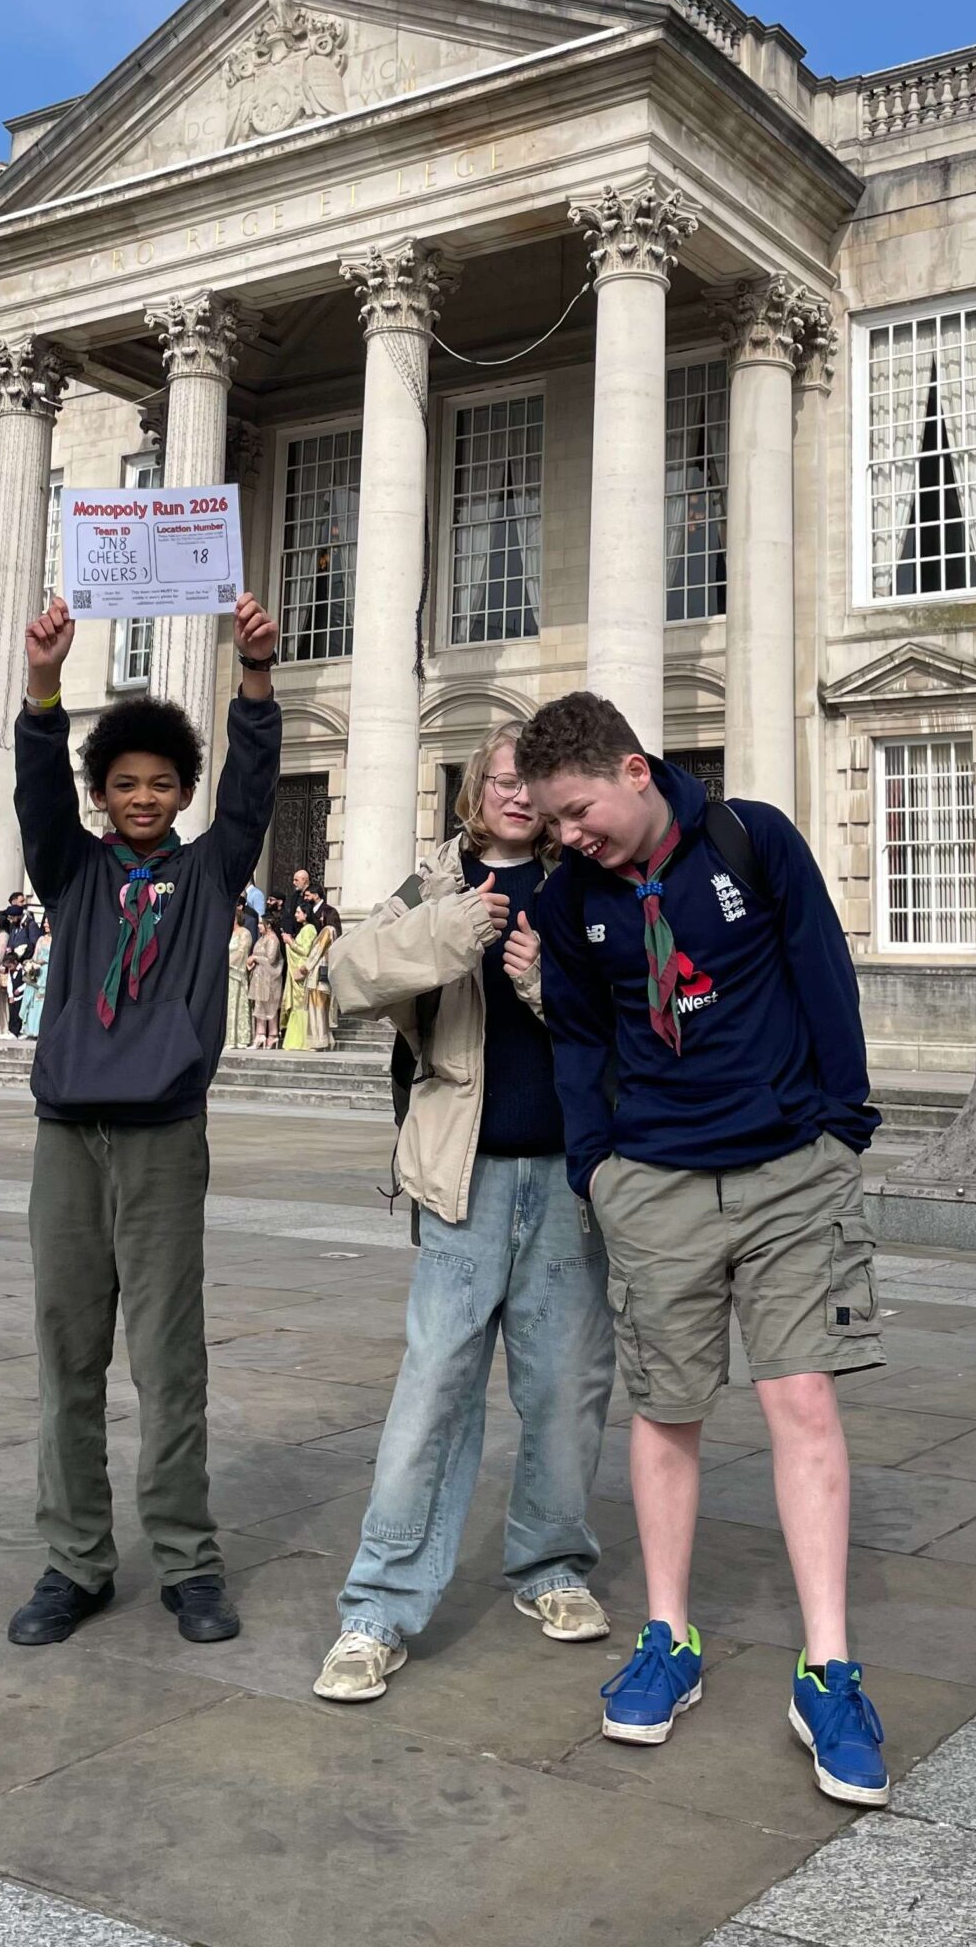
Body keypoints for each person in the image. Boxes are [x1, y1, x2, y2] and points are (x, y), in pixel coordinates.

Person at [514, 691, 889, 1805]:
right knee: (666, 1408)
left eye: (577, 811)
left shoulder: (750, 840)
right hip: (655, 1185)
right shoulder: (570, 899)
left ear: (633, 771)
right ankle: (667, 1637)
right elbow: (580, 1041)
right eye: (551, 820)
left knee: (801, 1400)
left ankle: (829, 1668)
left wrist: (841, 1129)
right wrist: (599, 1170)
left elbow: (824, 976)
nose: (566, 834)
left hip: (787, 1172)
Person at [313, 723, 615, 1705]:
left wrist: (540, 983)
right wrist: (453, 932)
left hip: (568, 1179)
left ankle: (552, 1565)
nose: (519, 795)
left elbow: (627, 1020)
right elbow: (348, 974)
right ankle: (378, 1608)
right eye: (504, 778)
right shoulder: (433, 884)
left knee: (565, 1388)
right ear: (475, 789)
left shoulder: (586, 884)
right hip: (463, 1179)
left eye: (535, 781)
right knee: (433, 1392)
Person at [5, 586, 280, 1654]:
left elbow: (251, 794)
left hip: (165, 1134)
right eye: (125, 783)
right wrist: (43, 686)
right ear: (102, 793)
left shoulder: (207, 873)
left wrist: (254, 676)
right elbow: (37, 795)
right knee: (68, 1353)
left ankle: (187, 1559)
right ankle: (75, 1559)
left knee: (169, 1361)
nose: (144, 798)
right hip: (68, 1137)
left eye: (162, 783)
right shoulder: (72, 870)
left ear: (183, 792)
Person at [249, 913, 285, 1047]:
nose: (258, 926)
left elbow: (271, 959)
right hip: (259, 976)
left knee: (270, 1006)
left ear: (268, 925)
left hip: (270, 978)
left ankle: (272, 1035)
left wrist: (255, 958)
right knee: (260, 1005)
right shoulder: (262, 938)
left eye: (261, 923)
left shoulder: (273, 939)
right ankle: (260, 1034)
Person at [282, 916, 317, 1049]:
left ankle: (303, 1040)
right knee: (297, 1007)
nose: (296, 915)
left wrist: (290, 941)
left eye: (298, 912)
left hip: (302, 972)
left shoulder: (309, 929)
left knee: (302, 1005)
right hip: (298, 972)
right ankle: (296, 1039)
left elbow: (305, 951)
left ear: (306, 914)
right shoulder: (304, 929)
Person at [306, 918, 337, 1050]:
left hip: (318, 976)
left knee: (317, 1009)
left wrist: (306, 966)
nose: (319, 918)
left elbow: (318, 951)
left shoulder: (328, 930)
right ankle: (326, 1039)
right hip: (322, 975)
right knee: (322, 1009)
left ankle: (319, 1041)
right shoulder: (333, 931)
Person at [225, 904, 253, 1048]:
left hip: (236, 973)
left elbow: (242, 952)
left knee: (235, 1005)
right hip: (225, 974)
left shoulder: (244, 933)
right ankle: (226, 1037)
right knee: (227, 1006)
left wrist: (228, 964)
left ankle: (238, 1038)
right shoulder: (226, 932)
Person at [20, 919, 52, 1038]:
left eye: (48, 922)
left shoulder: (57, 939)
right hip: (37, 971)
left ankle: (40, 1030)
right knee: (33, 999)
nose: (45, 924)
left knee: (42, 1000)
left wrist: (44, 961)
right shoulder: (41, 939)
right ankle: (29, 1029)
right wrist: (30, 963)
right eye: (45, 922)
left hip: (48, 971)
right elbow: (35, 955)